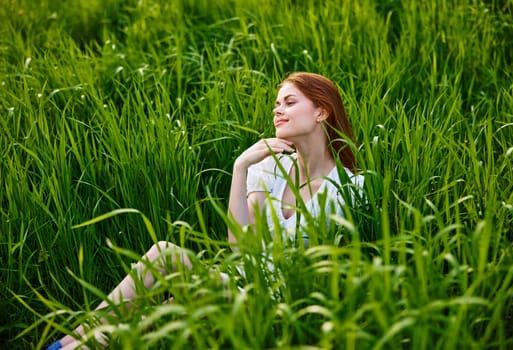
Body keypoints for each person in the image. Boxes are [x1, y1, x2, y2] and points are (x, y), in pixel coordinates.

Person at [43, 72, 363, 350]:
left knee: (169, 280)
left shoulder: (351, 188)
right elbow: (241, 250)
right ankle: (70, 344)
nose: (278, 110)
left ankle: (68, 346)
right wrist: (240, 167)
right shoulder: (268, 167)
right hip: (238, 281)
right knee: (164, 278)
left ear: (322, 111)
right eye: (276, 104)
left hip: (281, 302)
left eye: (289, 102)